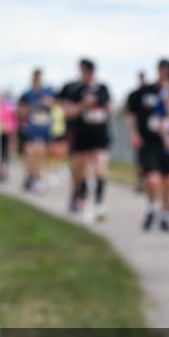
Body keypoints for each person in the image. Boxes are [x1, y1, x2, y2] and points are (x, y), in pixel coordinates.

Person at [125, 60, 169, 232]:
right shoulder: (144, 92)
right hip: (149, 143)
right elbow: (130, 113)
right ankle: (151, 208)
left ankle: (165, 213)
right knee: (152, 180)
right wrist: (133, 133)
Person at [57, 59, 113, 222]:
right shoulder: (74, 89)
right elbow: (67, 111)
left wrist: (96, 103)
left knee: (100, 165)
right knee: (80, 168)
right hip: (80, 134)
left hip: (99, 134)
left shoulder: (102, 88)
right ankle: (78, 196)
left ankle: (98, 203)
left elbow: (109, 107)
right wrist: (83, 105)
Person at [18, 68, 56, 193]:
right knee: (30, 152)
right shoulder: (27, 94)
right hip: (32, 128)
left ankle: (35, 177)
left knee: (40, 152)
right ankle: (31, 176)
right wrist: (33, 106)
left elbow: (55, 103)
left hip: (44, 129)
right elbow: (20, 112)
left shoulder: (48, 92)